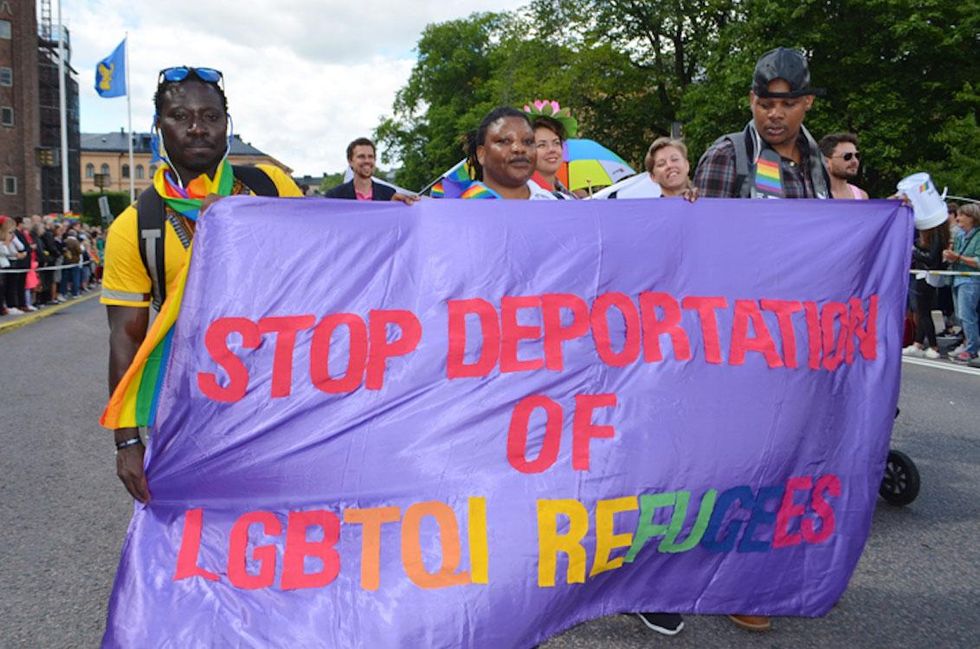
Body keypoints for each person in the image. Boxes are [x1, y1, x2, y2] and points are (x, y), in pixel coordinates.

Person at [101, 66, 302, 503]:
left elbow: (332, 249)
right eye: (180, 116)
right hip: (187, 407)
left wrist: (400, 217)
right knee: (197, 520)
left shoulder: (271, 187)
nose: (197, 128)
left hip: (280, 394)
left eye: (211, 116)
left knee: (284, 515)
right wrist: (127, 440)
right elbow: (125, 336)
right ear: (158, 127)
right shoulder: (136, 227)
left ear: (227, 124)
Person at [694, 47, 830, 200]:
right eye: (765, 105)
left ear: (808, 101)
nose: (775, 114)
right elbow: (707, 215)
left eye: (788, 104)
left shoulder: (817, 161)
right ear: (752, 100)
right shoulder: (726, 157)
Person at [460, 107, 556, 200]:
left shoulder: (555, 203)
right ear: (481, 154)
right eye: (505, 141)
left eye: (528, 141)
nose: (519, 149)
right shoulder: (461, 206)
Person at [903, 222, 950, 358]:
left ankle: (933, 346)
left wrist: (913, 251)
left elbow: (931, 259)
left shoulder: (936, 235)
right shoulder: (935, 235)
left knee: (923, 312)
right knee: (922, 311)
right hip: (923, 275)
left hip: (927, 277)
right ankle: (918, 343)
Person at [942, 203, 980, 362]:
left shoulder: (978, 235)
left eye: (961, 215)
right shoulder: (959, 235)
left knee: (967, 315)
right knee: (961, 315)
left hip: (971, 279)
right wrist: (949, 255)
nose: (958, 218)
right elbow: (955, 255)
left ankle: (972, 349)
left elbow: (978, 261)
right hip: (957, 278)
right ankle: (968, 345)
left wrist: (957, 257)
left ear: (972, 217)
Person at [524, 99, 578, 199]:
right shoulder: (523, 194)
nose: (551, 149)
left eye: (556, 143)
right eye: (542, 145)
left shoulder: (567, 195)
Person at [324, 138, 397, 201]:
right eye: (361, 156)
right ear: (350, 161)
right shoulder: (335, 196)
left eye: (370, 157)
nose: (367, 161)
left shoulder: (389, 195)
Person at [818, 132, 869, 199]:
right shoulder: (813, 195)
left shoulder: (862, 196)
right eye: (847, 156)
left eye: (857, 156)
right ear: (826, 161)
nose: (855, 161)